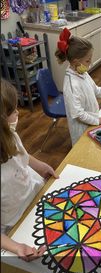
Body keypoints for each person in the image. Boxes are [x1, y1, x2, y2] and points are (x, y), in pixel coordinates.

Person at [1, 79, 59, 261]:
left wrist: (40, 166)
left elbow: (22, 156)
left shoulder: (10, 135)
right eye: (12, 111)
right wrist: (16, 246)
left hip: (33, 196)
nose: (18, 112)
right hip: (14, 223)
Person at [55, 28, 101, 146]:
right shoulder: (71, 84)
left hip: (92, 122)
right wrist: (97, 121)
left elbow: (95, 90)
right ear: (76, 62)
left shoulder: (82, 72)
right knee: (85, 151)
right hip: (82, 131)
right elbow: (78, 114)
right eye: (88, 60)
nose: (90, 63)